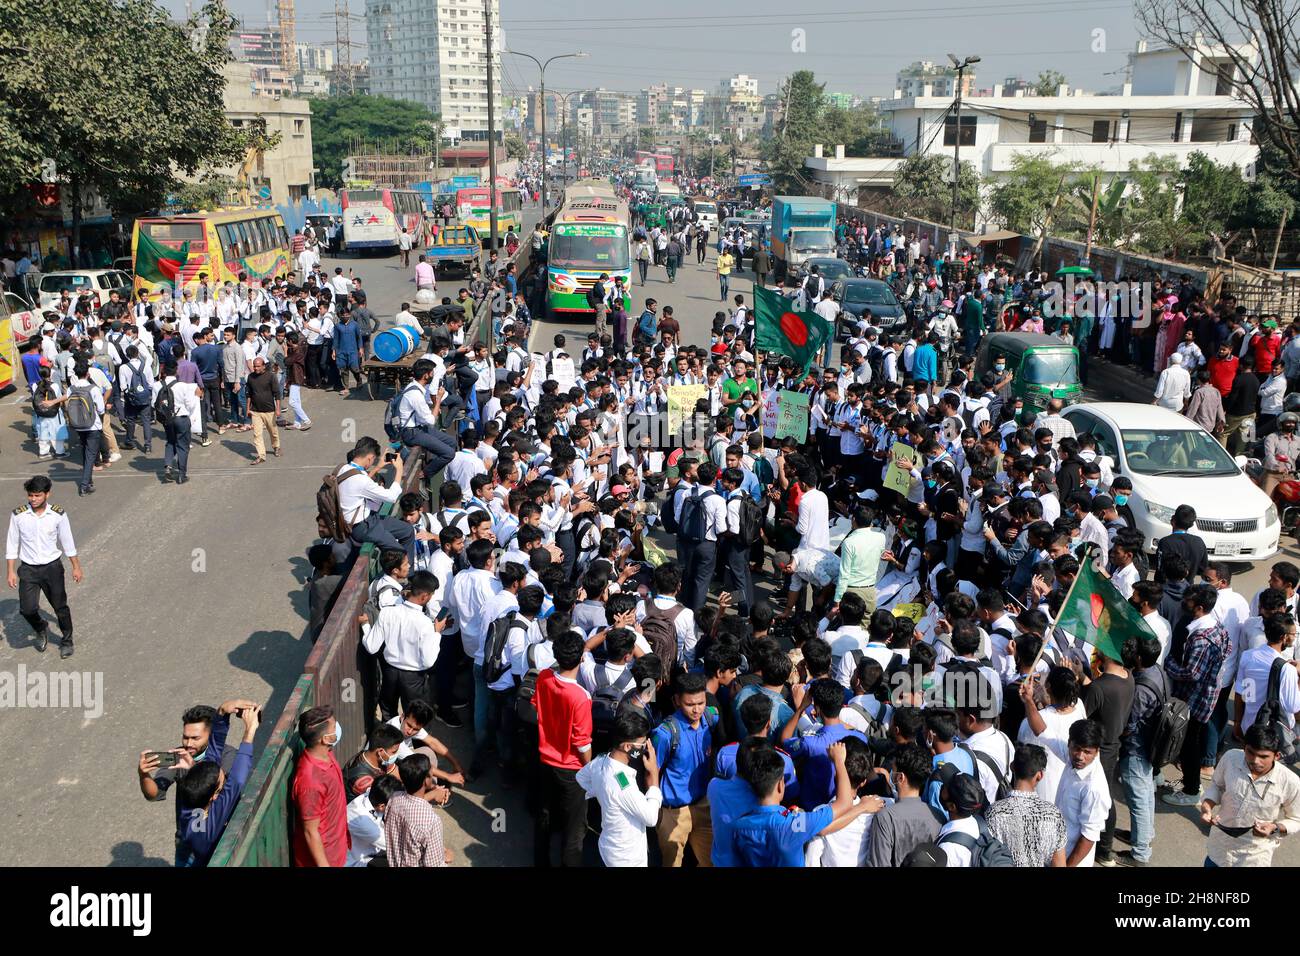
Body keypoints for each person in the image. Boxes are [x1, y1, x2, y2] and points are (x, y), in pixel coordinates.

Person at [731, 741, 868, 866]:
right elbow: (845, 803)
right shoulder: (795, 825)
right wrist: (839, 761)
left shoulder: (738, 826)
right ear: (780, 786)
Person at [1162, 583, 1230, 808]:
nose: (1184, 605)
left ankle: (1191, 789)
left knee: (1189, 745)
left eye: (1188, 602)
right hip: (1206, 696)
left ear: (1199, 607)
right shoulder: (1216, 627)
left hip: (1196, 700)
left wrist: (1168, 663)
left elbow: (1191, 673)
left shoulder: (1201, 639)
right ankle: (1191, 782)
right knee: (1192, 742)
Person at [1199, 723, 1300, 867]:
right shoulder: (1231, 758)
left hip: (1254, 856)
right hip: (1219, 848)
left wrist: (1274, 827)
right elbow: (1217, 785)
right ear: (1244, 747)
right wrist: (1207, 806)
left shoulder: (1290, 781)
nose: (1255, 760)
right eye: (1250, 752)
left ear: (1276, 756)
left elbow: (1296, 819)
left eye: (1263, 756)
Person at [6, 475, 83, 658]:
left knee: (60, 607)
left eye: (37, 496)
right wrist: (10, 571)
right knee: (27, 609)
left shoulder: (57, 515)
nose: (33, 499)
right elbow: (11, 544)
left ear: (47, 494)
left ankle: (67, 640)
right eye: (31, 495)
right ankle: (41, 628)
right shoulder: (18, 515)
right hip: (28, 569)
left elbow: (67, 542)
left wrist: (76, 567)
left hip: (52, 568)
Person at [533, 630, 593, 867]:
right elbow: (582, 743)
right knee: (574, 830)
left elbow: (537, 707)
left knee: (545, 815)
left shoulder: (544, 677)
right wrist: (591, 770)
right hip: (572, 770)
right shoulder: (581, 696)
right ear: (580, 659)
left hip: (544, 760)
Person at [575, 710, 663, 867]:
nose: (645, 748)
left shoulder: (600, 761)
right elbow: (651, 818)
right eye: (642, 744)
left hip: (608, 848)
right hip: (627, 858)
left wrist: (604, 795)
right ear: (628, 746)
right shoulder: (623, 784)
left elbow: (581, 777)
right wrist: (654, 776)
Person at [175, 704, 260, 867]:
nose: (222, 772)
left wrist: (222, 715)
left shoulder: (191, 803)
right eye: (222, 780)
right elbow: (236, 780)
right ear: (215, 795)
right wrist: (250, 731)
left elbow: (213, 756)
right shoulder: (211, 826)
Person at [651, 671, 719, 866]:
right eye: (690, 704)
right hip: (673, 812)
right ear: (677, 701)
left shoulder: (711, 717)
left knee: (711, 860)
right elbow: (652, 770)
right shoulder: (665, 734)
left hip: (703, 805)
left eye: (701, 703)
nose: (696, 710)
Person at [985, 743, 1068, 867]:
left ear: (1012, 767)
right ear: (1039, 776)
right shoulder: (1053, 815)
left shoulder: (994, 812)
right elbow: (1059, 864)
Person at [291, 706, 351, 867]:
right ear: (325, 739)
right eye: (334, 726)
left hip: (338, 847)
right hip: (326, 858)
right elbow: (310, 831)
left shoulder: (325, 754)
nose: (337, 728)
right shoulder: (310, 782)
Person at [385, 752, 453, 867]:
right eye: (432, 774)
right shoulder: (431, 821)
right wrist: (445, 857)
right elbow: (434, 865)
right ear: (426, 780)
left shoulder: (394, 799)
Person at [245, 356, 282, 464]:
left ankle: (276, 447)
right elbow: (249, 395)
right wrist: (248, 409)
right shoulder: (251, 377)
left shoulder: (271, 376)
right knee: (257, 434)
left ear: (263, 366)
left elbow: (277, 394)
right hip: (256, 411)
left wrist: (278, 409)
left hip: (269, 410)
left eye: (258, 366)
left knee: (273, 432)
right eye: (254, 366)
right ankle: (261, 456)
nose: (255, 368)